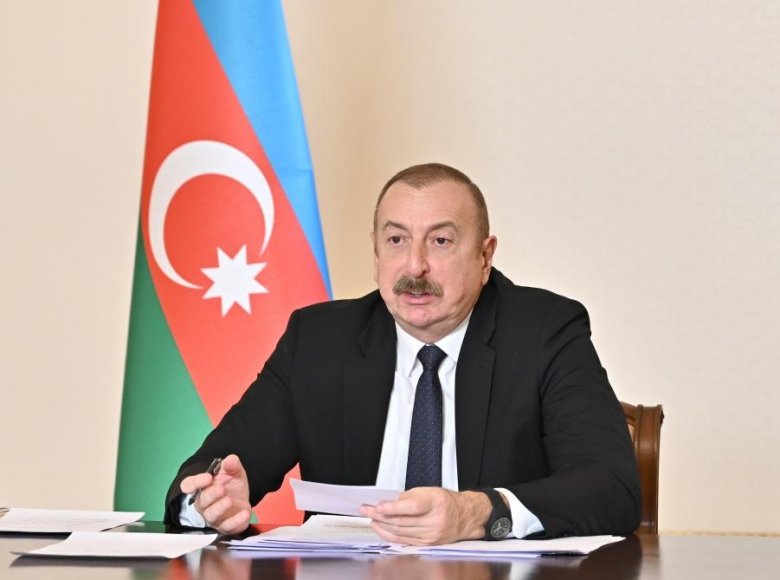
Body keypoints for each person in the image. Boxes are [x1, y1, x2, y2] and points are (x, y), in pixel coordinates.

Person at [164, 163, 641, 544]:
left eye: (441, 241)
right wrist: (209, 501)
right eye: (396, 240)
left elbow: (610, 489)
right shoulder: (319, 341)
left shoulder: (544, 333)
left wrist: (476, 513)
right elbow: (205, 471)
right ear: (376, 253)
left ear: (485, 256)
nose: (415, 266)